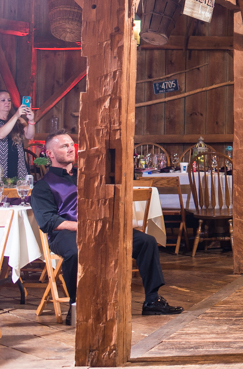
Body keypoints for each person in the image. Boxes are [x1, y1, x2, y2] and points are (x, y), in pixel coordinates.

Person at [29, 131, 183, 316]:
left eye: (71, 144)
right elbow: (48, 221)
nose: (70, 148)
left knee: (146, 241)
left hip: (99, 227)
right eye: (64, 146)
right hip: (66, 232)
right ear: (50, 154)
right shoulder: (43, 186)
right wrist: (82, 227)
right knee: (75, 252)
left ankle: (152, 300)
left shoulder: (88, 176)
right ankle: (76, 306)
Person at [0, 90, 34, 180]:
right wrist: (16, 115)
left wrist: (31, 120)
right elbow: (1, 134)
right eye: (3, 100)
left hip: (18, 165)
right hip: (1, 166)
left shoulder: (19, 121)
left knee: (20, 191)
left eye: (9, 100)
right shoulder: (15, 118)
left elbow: (29, 136)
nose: (7, 102)